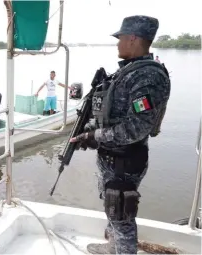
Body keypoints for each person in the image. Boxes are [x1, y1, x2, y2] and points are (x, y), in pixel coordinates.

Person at [69, 16, 171, 254]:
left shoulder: (147, 77)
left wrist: (95, 137)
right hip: (113, 157)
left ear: (133, 39)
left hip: (125, 160)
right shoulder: (129, 72)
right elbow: (115, 116)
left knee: (122, 216)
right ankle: (112, 247)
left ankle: (121, 249)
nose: (117, 44)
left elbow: (137, 128)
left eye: (120, 38)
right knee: (112, 209)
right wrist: (88, 133)